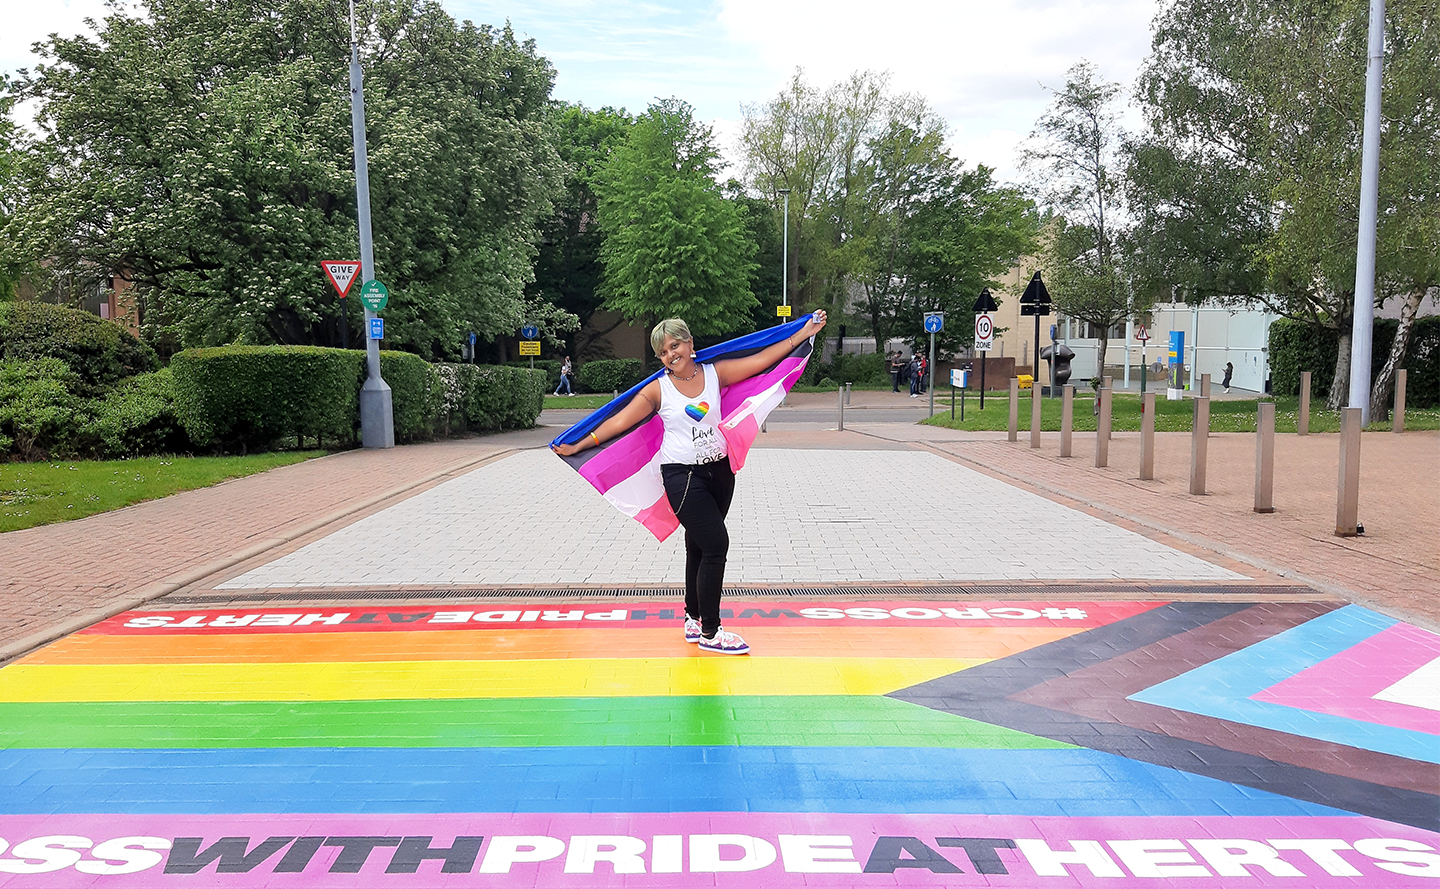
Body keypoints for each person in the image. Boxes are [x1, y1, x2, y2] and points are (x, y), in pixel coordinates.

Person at [551, 311, 828, 655]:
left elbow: (761, 359)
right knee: (716, 545)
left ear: (690, 343)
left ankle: (693, 617)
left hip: (720, 472)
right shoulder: (658, 390)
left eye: (675, 345)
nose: (671, 355)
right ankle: (711, 633)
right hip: (681, 476)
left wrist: (804, 332)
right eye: (663, 352)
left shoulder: (715, 373)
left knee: (698, 545)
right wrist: (580, 444)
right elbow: (619, 422)